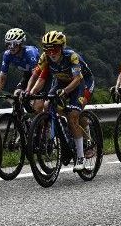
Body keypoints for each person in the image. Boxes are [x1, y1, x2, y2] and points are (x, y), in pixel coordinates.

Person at [27, 30, 95, 171]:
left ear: (62, 47)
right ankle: (61, 134)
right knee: (47, 105)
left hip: (82, 83)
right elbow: (41, 78)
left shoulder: (72, 57)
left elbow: (77, 79)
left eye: (55, 49)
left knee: (73, 115)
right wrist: (31, 92)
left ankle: (81, 156)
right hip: (61, 82)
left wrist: (64, 92)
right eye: (47, 49)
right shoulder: (45, 57)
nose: (51, 53)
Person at [0, 27, 41, 111]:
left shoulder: (29, 53)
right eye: (8, 44)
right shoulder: (7, 55)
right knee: (16, 96)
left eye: (14, 44)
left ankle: (41, 122)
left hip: (40, 76)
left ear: (21, 44)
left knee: (37, 107)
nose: (11, 47)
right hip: (28, 75)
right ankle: (22, 120)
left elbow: (35, 76)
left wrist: (28, 91)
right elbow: (2, 77)